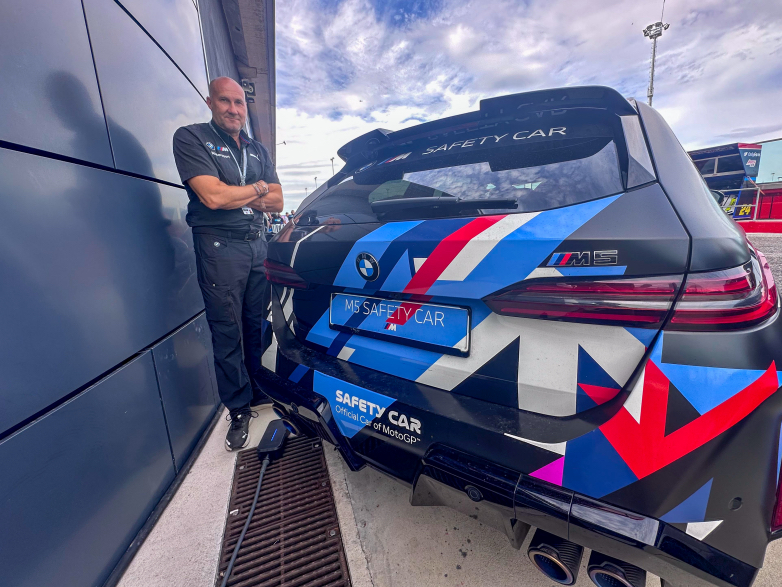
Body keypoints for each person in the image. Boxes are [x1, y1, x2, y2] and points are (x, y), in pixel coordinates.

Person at [172, 77, 284, 450]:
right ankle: (238, 408)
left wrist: (239, 194)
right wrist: (257, 189)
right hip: (219, 247)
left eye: (239, 103)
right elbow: (213, 198)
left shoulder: (256, 149)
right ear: (210, 102)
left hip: (257, 245)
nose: (233, 109)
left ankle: (259, 389)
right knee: (227, 329)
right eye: (225, 101)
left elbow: (279, 201)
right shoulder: (192, 138)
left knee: (256, 324)